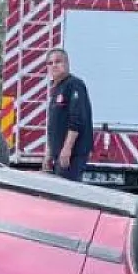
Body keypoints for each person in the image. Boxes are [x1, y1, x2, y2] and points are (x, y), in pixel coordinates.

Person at [43, 47, 93, 181]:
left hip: (72, 154)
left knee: (66, 190)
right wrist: (49, 153)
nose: (54, 65)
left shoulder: (74, 85)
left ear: (67, 63)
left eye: (58, 61)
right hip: (58, 154)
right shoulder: (57, 88)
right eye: (50, 63)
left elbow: (76, 120)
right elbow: (54, 124)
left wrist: (67, 149)